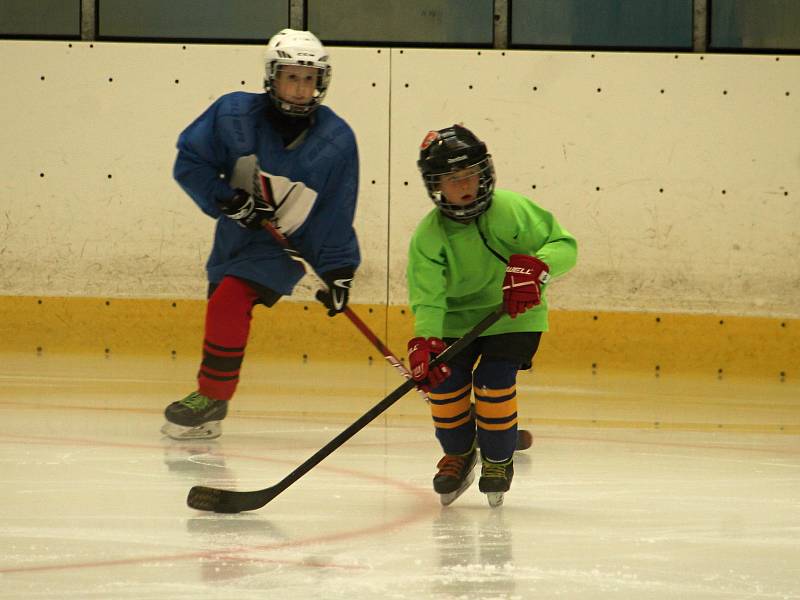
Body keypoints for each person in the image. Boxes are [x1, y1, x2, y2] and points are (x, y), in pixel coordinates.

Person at [161, 29, 360, 440]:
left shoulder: (337, 140)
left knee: (229, 300)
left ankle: (211, 396)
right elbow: (191, 163)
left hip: (286, 246)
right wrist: (227, 200)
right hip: (235, 236)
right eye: (292, 76)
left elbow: (336, 210)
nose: (301, 88)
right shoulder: (232, 115)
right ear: (272, 77)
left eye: (309, 78)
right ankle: (214, 406)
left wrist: (339, 269)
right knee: (222, 304)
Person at [406, 124, 577, 507]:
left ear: (485, 172)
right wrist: (426, 340)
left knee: (493, 379)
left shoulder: (512, 210)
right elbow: (428, 297)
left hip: (515, 314)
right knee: (445, 384)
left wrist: (539, 267)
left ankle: (498, 459)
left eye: (469, 174)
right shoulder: (429, 236)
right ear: (435, 186)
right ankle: (458, 451)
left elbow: (565, 245)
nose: (463, 185)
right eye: (451, 179)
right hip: (455, 321)